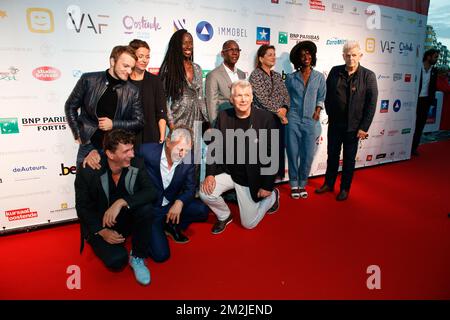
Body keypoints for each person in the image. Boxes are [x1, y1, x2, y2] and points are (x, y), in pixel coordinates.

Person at [75, 129, 156, 286]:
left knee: (146, 208)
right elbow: (82, 208)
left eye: (132, 149)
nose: (132, 154)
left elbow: (151, 192)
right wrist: (102, 231)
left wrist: (121, 202)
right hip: (100, 224)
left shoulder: (137, 163)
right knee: (117, 261)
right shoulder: (89, 171)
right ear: (111, 155)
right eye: (126, 151)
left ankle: (138, 257)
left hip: (125, 217)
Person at [200, 80, 280, 234]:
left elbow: (273, 154)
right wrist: (210, 174)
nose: (243, 99)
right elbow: (214, 148)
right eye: (238, 96)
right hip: (230, 172)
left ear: (251, 98)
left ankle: (272, 198)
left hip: (250, 177)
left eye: (246, 95)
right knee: (205, 192)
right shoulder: (224, 116)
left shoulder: (266, 119)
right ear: (231, 99)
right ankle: (224, 215)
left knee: (249, 224)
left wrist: (268, 186)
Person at [315, 41, 378, 201]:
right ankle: (329, 183)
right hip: (336, 124)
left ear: (360, 56)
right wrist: (331, 114)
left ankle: (344, 188)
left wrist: (364, 127)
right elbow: (327, 95)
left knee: (349, 159)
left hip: (355, 127)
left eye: (354, 55)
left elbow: (371, 104)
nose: (351, 58)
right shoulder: (335, 71)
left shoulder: (368, 76)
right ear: (343, 56)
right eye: (348, 55)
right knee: (332, 155)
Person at [65, 45, 144, 169]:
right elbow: (70, 106)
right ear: (113, 61)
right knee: (86, 185)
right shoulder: (89, 80)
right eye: (125, 66)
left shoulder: (132, 91)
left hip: (117, 148)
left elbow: (139, 122)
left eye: (132, 68)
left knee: (115, 187)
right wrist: (77, 133)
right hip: (89, 145)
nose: (129, 71)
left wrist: (114, 124)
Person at [139, 126, 209, 262]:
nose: (183, 154)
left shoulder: (188, 158)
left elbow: (190, 188)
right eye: (180, 149)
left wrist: (179, 202)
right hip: (152, 209)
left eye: (187, 150)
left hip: (171, 203)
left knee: (202, 211)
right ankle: (155, 228)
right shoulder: (146, 151)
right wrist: (93, 154)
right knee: (161, 256)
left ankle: (170, 225)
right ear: (168, 141)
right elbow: (120, 155)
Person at [285, 41, 326, 199]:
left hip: (311, 120)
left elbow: (321, 96)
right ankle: (294, 184)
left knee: (308, 154)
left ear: (312, 56)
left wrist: (318, 109)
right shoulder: (291, 78)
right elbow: (286, 98)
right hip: (293, 119)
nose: (306, 56)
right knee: (293, 153)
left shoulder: (319, 77)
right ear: (297, 59)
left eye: (308, 53)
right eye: (302, 55)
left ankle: (303, 183)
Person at [249, 45, 290, 179]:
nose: (273, 57)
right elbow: (261, 98)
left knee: (276, 151)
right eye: (270, 54)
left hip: (278, 120)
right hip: (262, 121)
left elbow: (286, 95)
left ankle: (271, 183)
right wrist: (278, 112)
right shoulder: (255, 75)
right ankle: (260, 184)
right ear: (261, 58)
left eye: (274, 54)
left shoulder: (277, 76)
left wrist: (284, 108)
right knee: (263, 153)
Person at [159, 29, 208, 130]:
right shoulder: (169, 68)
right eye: (184, 43)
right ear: (177, 45)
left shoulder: (197, 68)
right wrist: (171, 123)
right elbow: (163, 99)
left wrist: (206, 120)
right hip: (178, 119)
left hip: (197, 119)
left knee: (197, 146)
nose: (188, 46)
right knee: (179, 145)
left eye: (190, 43)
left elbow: (200, 97)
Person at [128, 39, 167, 145]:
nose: (144, 60)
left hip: (152, 139)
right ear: (131, 56)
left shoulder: (155, 81)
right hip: (128, 141)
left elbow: (161, 113)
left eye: (147, 57)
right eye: (140, 56)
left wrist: (162, 137)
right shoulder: (124, 81)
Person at [205, 40, 246, 124]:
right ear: (223, 54)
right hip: (224, 122)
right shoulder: (213, 75)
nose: (235, 53)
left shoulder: (242, 74)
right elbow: (212, 105)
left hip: (242, 123)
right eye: (231, 50)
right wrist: (214, 127)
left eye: (237, 50)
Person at [411, 48, 440, 155]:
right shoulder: (418, 68)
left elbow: (433, 86)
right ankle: (404, 147)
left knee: (420, 126)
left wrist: (431, 100)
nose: (437, 59)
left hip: (426, 101)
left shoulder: (434, 70)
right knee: (409, 123)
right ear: (428, 57)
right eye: (435, 57)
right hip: (414, 100)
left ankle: (414, 148)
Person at [437, 66, 450, 131]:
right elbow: (443, 88)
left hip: (447, 101)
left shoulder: (445, 79)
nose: (447, 73)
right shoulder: (438, 79)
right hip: (443, 101)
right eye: (445, 72)